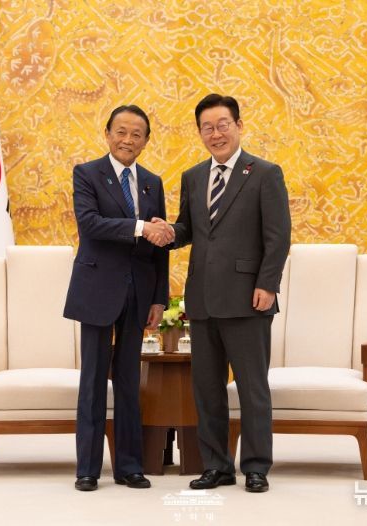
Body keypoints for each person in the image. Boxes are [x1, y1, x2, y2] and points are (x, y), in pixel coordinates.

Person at [154, 94, 290, 492]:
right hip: (203, 300)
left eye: (222, 125)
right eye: (207, 127)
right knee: (207, 390)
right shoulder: (194, 176)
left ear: (238, 126)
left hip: (249, 299)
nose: (215, 134)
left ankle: (256, 467)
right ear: (200, 133)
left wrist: (267, 284)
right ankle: (217, 466)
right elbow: (190, 229)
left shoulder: (265, 173)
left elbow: (278, 236)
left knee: (252, 389)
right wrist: (168, 231)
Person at [63, 105, 173, 491]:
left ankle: (129, 466)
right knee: (93, 380)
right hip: (97, 289)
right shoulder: (87, 173)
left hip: (139, 292)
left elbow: (159, 246)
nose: (128, 140)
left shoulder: (152, 183)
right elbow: (90, 224)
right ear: (108, 134)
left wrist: (159, 298)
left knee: (129, 381)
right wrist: (141, 227)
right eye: (121, 132)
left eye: (136, 134)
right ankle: (88, 469)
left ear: (146, 140)